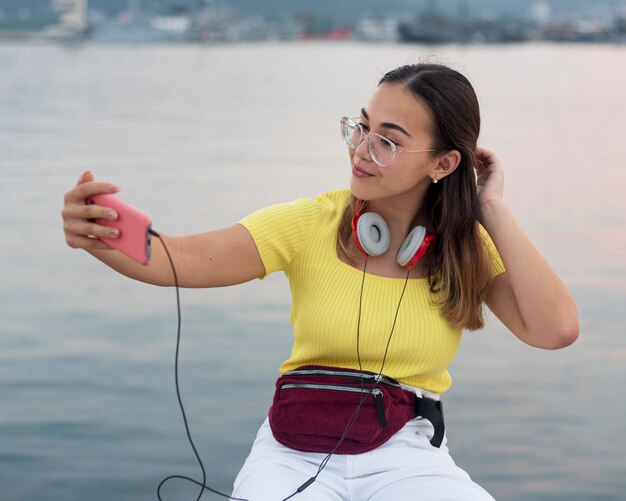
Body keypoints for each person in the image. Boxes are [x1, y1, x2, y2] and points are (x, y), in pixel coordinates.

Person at [61, 63, 579, 501]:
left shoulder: (464, 247)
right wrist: (100, 231)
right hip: (291, 448)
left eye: (387, 142)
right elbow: (174, 258)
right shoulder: (309, 223)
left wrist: (490, 208)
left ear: (444, 163)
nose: (360, 150)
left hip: (408, 453)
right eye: (361, 127)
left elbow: (554, 330)